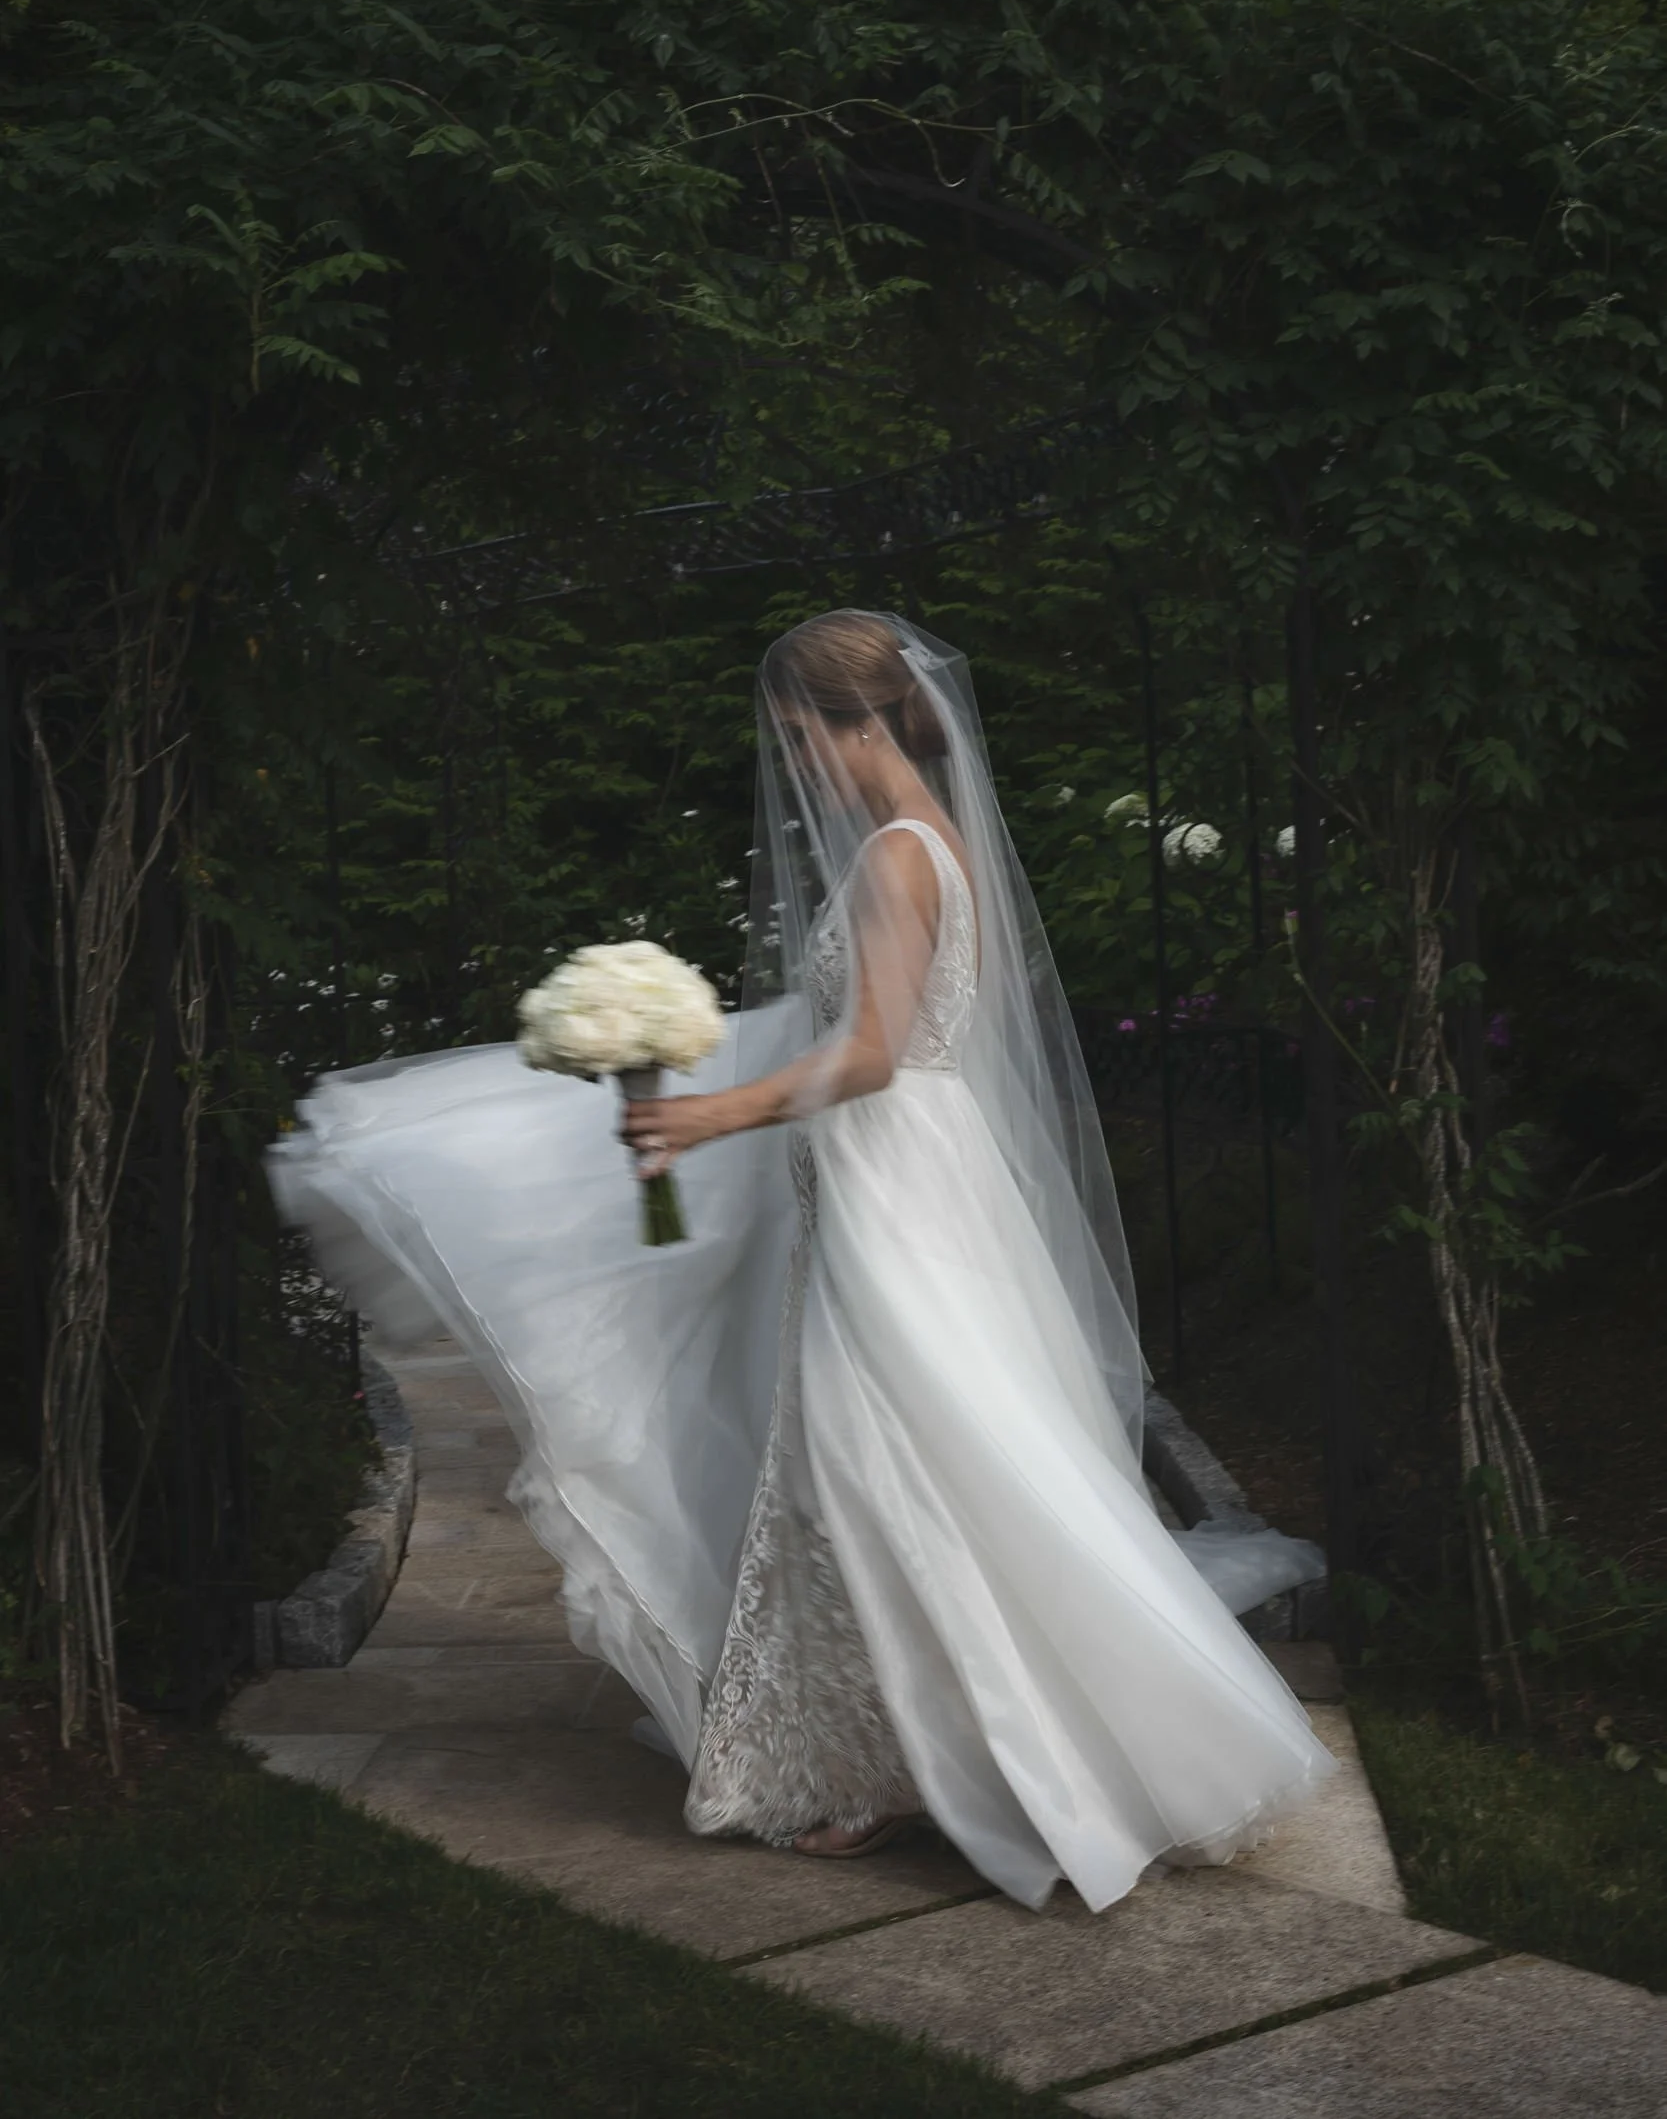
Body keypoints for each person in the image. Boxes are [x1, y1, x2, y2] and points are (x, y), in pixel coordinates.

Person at [270, 610, 1333, 1910]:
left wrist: (706, 1111)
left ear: (859, 725)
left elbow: (879, 1051)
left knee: (881, 1457)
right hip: (910, 1175)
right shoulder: (934, 842)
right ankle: (914, 1752)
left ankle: (933, 1761)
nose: (796, 769)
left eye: (796, 740)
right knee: (913, 1457)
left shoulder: (896, 857)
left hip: (899, 1185)